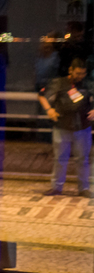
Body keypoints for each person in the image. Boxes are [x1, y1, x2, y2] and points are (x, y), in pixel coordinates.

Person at [39, 58, 94, 198]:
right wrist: (49, 110)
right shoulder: (59, 82)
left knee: (82, 159)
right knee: (60, 159)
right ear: (70, 70)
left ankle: (84, 188)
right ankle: (56, 187)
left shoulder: (88, 83)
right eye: (77, 73)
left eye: (83, 73)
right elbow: (42, 95)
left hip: (83, 126)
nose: (80, 76)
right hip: (61, 126)